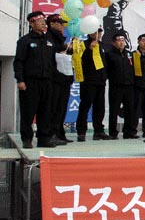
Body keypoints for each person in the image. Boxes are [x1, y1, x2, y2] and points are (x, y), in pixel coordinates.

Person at [14, 11, 59, 148]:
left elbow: (53, 62)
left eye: (44, 21)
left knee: (45, 111)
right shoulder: (25, 41)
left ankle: (43, 138)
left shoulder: (49, 41)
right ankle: (27, 139)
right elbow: (19, 62)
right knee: (28, 111)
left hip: (47, 81)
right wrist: (20, 80)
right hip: (30, 82)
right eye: (40, 21)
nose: (43, 24)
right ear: (32, 23)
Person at [75, 26, 109, 141]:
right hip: (88, 81)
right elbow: (79, 60)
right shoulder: (83, 44)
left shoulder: (102, 45)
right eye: (95, 32)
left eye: (100, 32)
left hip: (100, 81)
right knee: (85, 106)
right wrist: (89, 49)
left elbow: (105, 63)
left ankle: (98, 131)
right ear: (90, 33)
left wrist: (105, 76)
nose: (98, 34)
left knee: (99, 107)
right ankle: (81, 131)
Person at [46, 13, 74, 144]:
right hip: (54, 79)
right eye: (60, 23)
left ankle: (59, 132)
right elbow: (49, 57)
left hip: (64, 78)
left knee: (62, 107)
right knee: (54, 107)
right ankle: (51, 133)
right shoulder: (48, 39)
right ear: (51, 24)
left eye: (63, 24)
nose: (62, 26)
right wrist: (60, 51)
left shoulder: (60, 39)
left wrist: (68, 49)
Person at [105, 31, 138, 139]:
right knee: (114, 110)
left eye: (123, 40)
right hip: (116, 86)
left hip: (129, 86)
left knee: (129, 110)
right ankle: (113, 132)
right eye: (119, 40)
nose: (121, 42)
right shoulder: (109, 54)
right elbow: (107, 70)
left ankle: (128, 132)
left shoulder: (129, 54)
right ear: (114, 43)